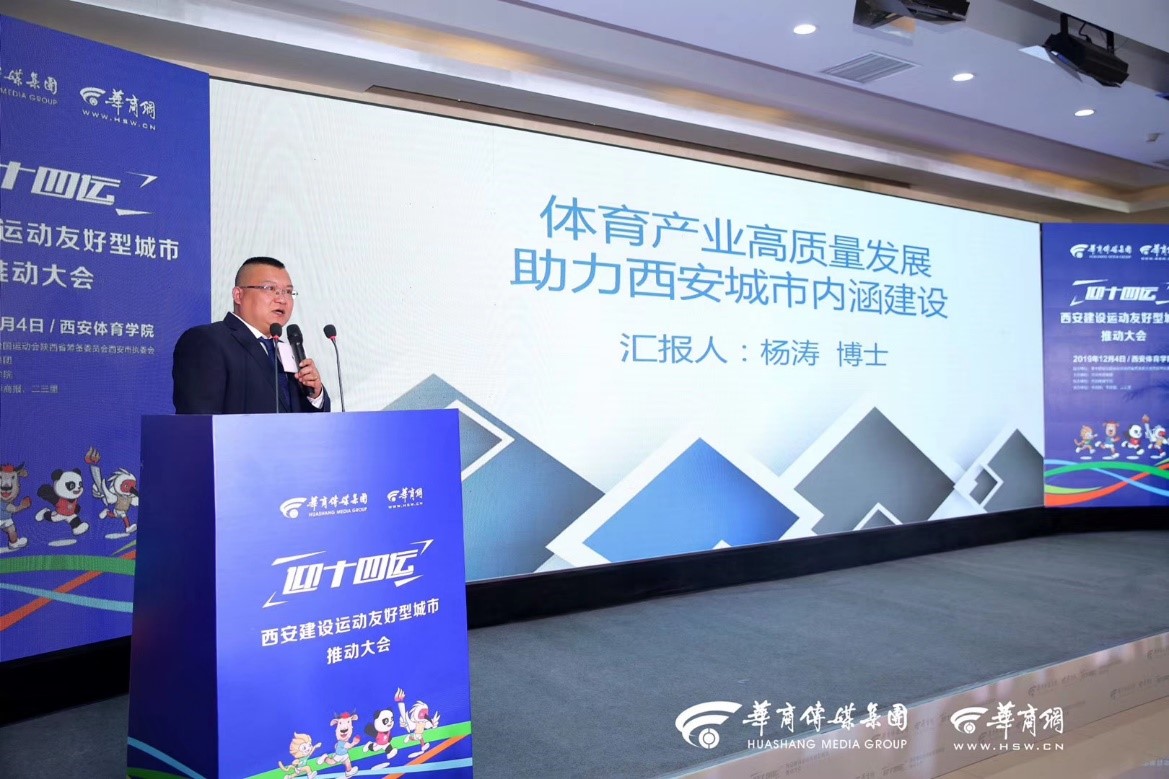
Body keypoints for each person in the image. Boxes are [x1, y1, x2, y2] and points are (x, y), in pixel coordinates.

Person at [172, 256, 330, 414]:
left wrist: (315, 395)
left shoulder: (285, 349)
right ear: (238, 295)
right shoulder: (206, 341)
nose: (282, 299)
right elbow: (199, 419)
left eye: (288, 291)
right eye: (270, 288)